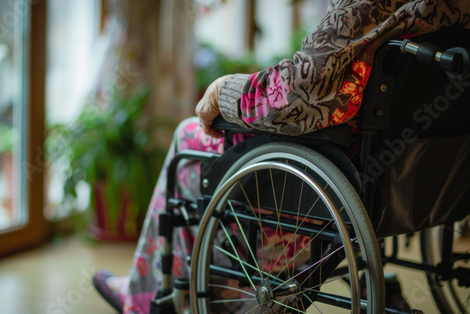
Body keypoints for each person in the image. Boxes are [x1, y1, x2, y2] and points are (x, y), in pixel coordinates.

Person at [92, 1, 470, 313]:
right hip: (434, 176)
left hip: (351, 170)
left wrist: (225, 90)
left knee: (189, 136)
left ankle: (144, 299)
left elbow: (301, 92)